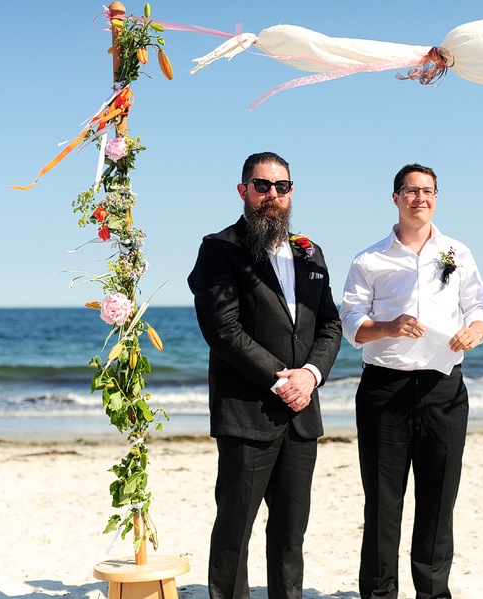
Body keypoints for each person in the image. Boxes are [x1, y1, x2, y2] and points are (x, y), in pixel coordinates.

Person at [187, 152, 343, 599]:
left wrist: (310, 376)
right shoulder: (219, 247)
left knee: (291, 534)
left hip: (301, 415)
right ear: (243, 191)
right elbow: (222, 329)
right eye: (262, 186)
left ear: (291, 193)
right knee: (235, 531)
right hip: (247, 412)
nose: (272, 195)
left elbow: (329, 324)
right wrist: (282, 379)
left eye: (282, 187)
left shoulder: (310, 251)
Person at [340, 163, 483, 599]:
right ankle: (380, 594)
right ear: (396, 198)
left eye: (427, 191)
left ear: (436, 197)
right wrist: (389, 326)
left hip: (443, 389)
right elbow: (351, 323)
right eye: (410, 191)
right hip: (384, 391)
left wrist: (475, 331)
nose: (419, 198)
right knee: (383, 504)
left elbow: (479, 307)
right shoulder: (369, 259)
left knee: (438, 501)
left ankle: (431, 592)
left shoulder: (458, 253)